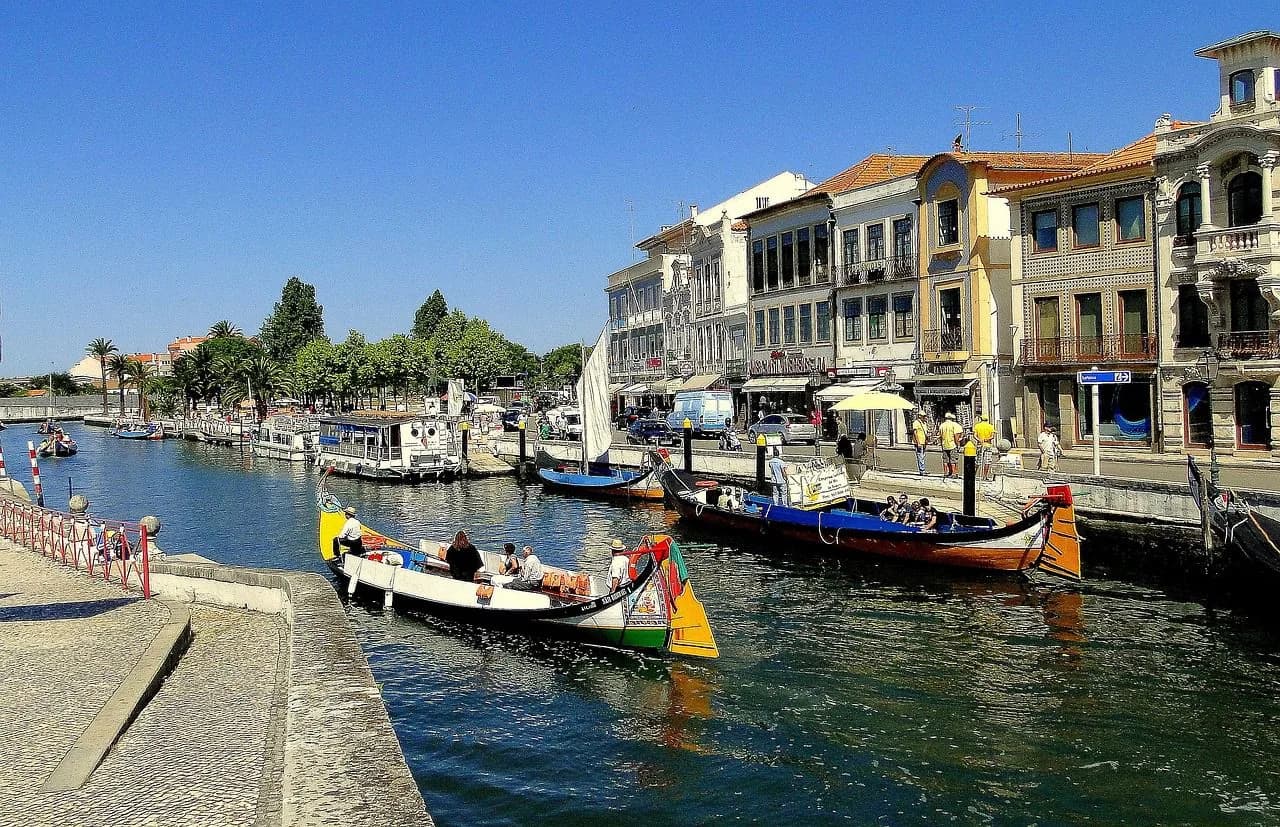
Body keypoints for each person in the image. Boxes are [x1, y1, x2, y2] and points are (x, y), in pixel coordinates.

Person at [938, 412, 964, 479]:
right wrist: (958, 444)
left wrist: (941, 444)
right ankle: (954, 473)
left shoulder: (942, 425)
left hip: (944, 445)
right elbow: (956, 436)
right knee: (953, 460)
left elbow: (940, 436)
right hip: (952, 445)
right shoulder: (955, 425)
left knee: (945, 460)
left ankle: (946, 473)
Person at [973, 414, 997, 480]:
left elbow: (974, 435)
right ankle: (984, 476)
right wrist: (987, 439)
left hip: (980, 445)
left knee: (978, 461)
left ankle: (974, 475)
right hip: (988, 445)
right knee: (987, 461)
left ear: (981, 419)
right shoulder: (990, 426)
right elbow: (992, 436)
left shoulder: (977, 426)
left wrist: (979, 439)